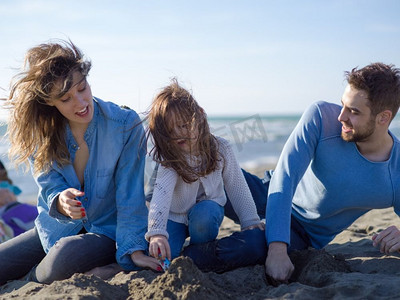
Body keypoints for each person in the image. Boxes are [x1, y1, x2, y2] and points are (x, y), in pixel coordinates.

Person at [0, 40, 160, 285]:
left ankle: (32, 278)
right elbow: (49, 184)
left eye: (82, 88)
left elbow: (130, 197)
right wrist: (61, 201)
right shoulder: (41, 133)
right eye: (65, 99)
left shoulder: (126, 125)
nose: (80, 102)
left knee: (62, 258)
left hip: (107, 232)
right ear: (50, 102)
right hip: (56, 228)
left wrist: (134, 251)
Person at [241, 62, 400, 284]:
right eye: (343, 105)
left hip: (302, 232)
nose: (341, 117)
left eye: (353, 111)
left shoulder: (397, 168)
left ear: (383, 118)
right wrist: (277, 247)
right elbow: (284, 179)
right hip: (268, 190)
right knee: (208, 169)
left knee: (241, 249)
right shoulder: (322, 116)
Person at [145, 80, 264, 263]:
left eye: (183, 125)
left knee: (204, 216)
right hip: (175, 216)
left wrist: (250, 220)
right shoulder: (171, 158)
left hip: (207, 212)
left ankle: (199, 249)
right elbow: (160, 196)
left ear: (199, 116)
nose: (178, 134)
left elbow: (237, 186)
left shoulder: (221, 148)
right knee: (165, 255)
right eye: (170, 131)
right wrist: (156, 233)